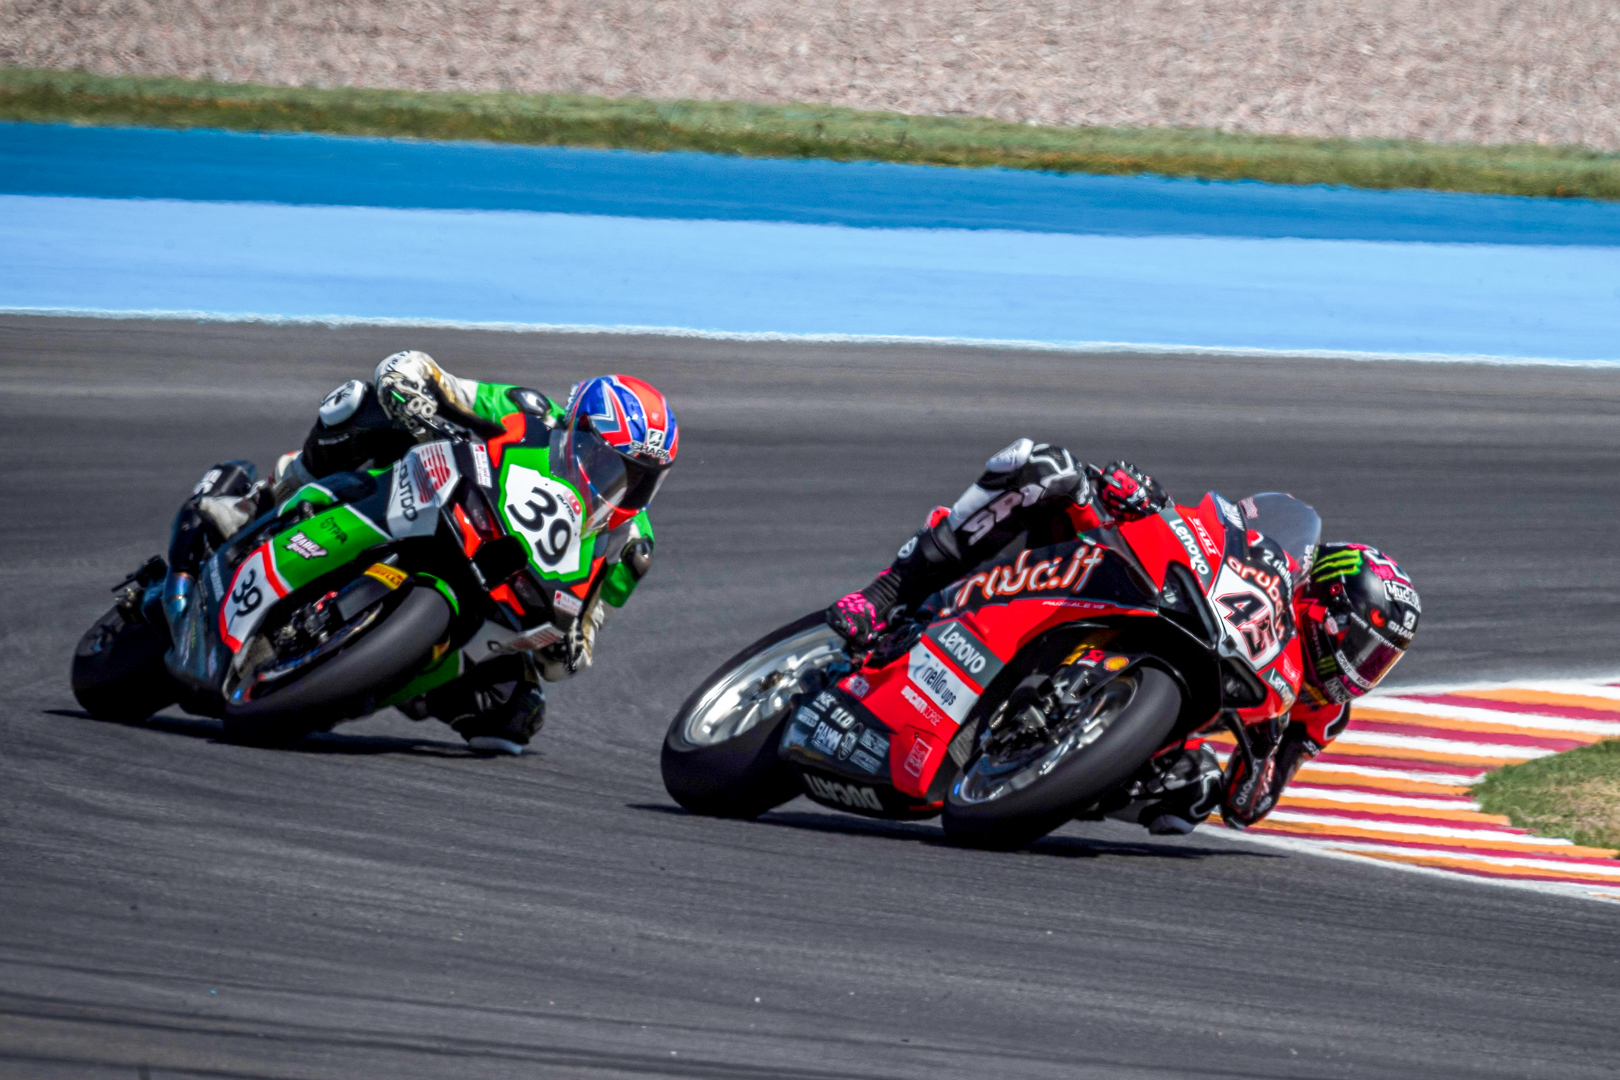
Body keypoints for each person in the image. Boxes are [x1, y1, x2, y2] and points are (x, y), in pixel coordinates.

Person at [822, 437, 1420, 834]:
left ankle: (1063, 775)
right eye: (1359, 646)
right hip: (1123, 584)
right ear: (1319, 601)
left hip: (1153, 727)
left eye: (1378, 662)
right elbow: (1209, 536)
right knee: (1045, 465)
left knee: (1195, 790)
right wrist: (1143, 499)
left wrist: (1263, 750)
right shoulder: (1269, 570)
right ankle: (887, 593)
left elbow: (1248, 807)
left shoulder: (1321, 712)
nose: (1357, 669)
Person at [165, 351, 677, 755]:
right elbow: (434, 378)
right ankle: (258, 503)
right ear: (577, 429)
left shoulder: (631, 544)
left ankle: (379, 672)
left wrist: (572, 647)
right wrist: (411, 385)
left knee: (512, 718)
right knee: (359, 407)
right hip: (439, 498)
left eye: (641, 479)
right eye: (611, 465)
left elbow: (589, 624)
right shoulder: (529, 413)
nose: (623, 486)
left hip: (501, 596)